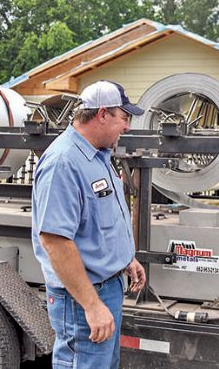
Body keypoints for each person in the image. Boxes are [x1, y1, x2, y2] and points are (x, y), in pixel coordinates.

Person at [32, 80, 146, 369]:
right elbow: (55, 242)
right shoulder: (64, 162)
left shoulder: (98, 155)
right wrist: (92, 306)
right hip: (82, 297)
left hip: (107, 287)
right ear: (103, 114)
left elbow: (98, 220)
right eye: (124, 117)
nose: (127, 127)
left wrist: (124, 259)